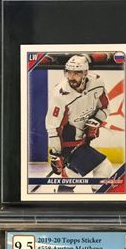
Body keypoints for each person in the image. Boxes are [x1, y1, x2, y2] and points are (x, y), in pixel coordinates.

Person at [45, 54, 114, 192]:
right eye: (69, 72)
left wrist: (97, 119)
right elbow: (53, 127)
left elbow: (106, 107)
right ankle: (100, 197)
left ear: (85, 73)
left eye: (76, 73)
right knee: (103, 167)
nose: (71, 77)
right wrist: (57, 154)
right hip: (68, 143)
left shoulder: (97, 83)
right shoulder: (59, 95)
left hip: (82, 141)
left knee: (73, 174)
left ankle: (63, 194)